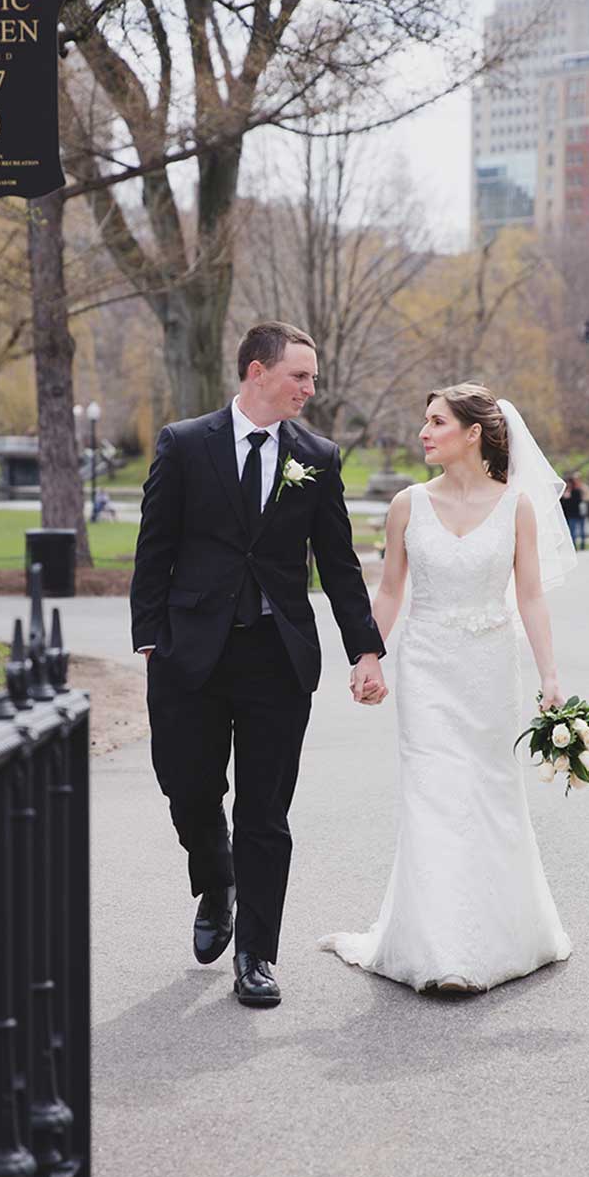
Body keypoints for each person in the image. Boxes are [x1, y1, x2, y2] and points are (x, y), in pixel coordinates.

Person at [130, 320, 386, 1009]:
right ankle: (217, 883)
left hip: (277, 657)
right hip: (192, 653)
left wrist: (364, 647)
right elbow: (154, 547)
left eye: (311, 375)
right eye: (299, 375)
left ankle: (256, 955)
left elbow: (338, 563)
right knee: (188, 788)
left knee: (265, 810)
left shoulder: (318, 457)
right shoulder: (185, 445)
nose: (310, 387)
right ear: (256, 372)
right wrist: (149, 638)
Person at [319, 384, 574, 994]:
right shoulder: (407, 504)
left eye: (436, 422)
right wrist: (367, 656)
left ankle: (502, 935)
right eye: (424, 421)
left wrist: (550, 677)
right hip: (427, 669)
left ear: (473, 433)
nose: (423, 433)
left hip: (489, 670)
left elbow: (531, 598)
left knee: (487, 795)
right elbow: (389, 592)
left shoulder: (517, 507)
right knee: (433, 795)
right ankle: (440, 952)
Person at [561, 473, 586, 550]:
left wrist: (569, 498)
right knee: (570, 531)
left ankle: (580, 545)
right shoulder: (563, 492)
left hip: (575, 514)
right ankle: (573, 545)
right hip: (567, 515)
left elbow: (577, 502)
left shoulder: (576, 491)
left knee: (576, 531)